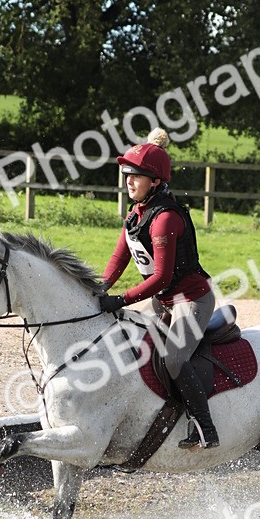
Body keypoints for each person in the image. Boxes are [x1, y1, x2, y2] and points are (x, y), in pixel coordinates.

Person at [99, 127, 219, 449]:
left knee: (174, 359)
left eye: (135, 176)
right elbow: (119, 256)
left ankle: (205, 427)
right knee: (128, 340)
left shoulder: (165, 218)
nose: (128, 181)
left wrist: (121, 298)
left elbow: (163, 278)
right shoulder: (135, 214)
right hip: (163, 302)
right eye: (127, 174)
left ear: (155, 182)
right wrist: (100, 287)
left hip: (192, 301)